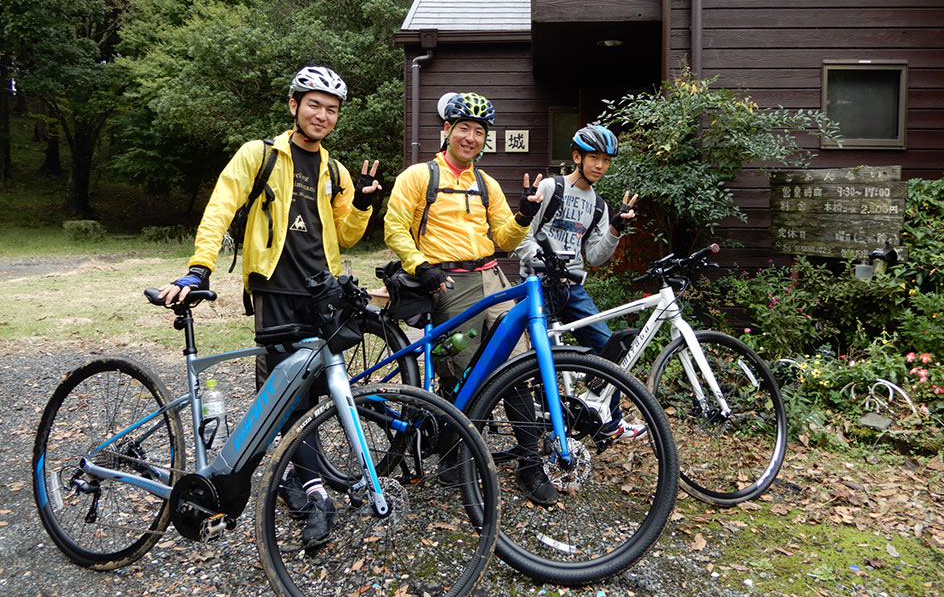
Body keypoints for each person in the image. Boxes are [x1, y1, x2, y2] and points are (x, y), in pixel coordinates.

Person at [159, 65, 381, 547]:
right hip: (276, 288)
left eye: (332, 109)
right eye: (314, 105)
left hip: (323, 291)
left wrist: (362, 205)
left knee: (320, 388)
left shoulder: (335, 171)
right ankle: (313, 492)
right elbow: (221, 205)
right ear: (294, 106)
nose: (323, 115)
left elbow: (343, 235)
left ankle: (290, 475)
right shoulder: (258, 155)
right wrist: (201, 266)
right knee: (289, 393)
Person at [382, 91, 560, 504]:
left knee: (516, 365)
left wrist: (522, 217)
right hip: (447, 283)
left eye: (479, 131)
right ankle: (453, 454)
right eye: (464, 128)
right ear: (446, 130)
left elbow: (505, 238)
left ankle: (530, 464)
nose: (471, 137)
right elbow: (394, 227)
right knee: (462, 373)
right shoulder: (418, 176)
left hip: (492, 277)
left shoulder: (486, 183)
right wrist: (418, 264)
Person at [515, 124, 646, 440]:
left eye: (606, 160)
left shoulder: (598, 205)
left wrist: (614, 228)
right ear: (577, 156)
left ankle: (609, 420)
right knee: (540, 359)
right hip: (537, 285)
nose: (600, 166)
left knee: (610, 348)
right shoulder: (551, 187)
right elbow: (522, 236)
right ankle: (545, 428)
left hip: (572, 286)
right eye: (594, 158)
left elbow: (596, 256)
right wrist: (541, 258)